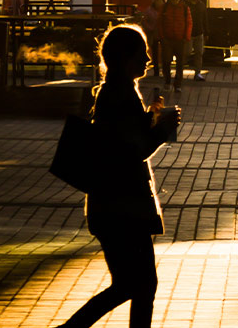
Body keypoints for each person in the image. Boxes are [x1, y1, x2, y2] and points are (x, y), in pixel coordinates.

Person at [56, 25, 180, 328]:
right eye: (143, 53)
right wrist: (161, 133)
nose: (149, 59)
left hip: (113, 205)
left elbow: (124, 141)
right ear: (126, 58)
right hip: (122, 206)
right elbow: (130, 151)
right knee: (138, 285)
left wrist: (149, 119)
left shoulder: (116, 90)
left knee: (134, 285)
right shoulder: (120, 94)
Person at [159, 0, 192, 93]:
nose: (174, 1)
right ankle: (167, 81)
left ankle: (178, 84)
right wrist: (162, 37)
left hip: (180, 40)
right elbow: (160, 23)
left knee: (180, 63)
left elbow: (189, 23)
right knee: (166, 62)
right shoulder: (164, 8)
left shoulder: (185, 8)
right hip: (167, 40)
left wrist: (186, 37)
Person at [184, 0, 208, 81]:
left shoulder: (201, 5)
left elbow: (205, 19)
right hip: (188, 33)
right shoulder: (185, 4)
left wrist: (206, 32)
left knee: (199, 53)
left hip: (199, 33)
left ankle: (198, 73)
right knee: (186, 53)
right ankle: (179, 70)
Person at [141, 0, 165, 77]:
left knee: (164, 52)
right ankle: (156, 70)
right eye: (157, 1)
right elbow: (144, 21)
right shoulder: (149, 11)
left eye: (161, 0)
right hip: (153, 34)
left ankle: (164, 70)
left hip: (163, 34)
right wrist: (150, 28)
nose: (159, 3)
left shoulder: (165, 10)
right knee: (154, 53)